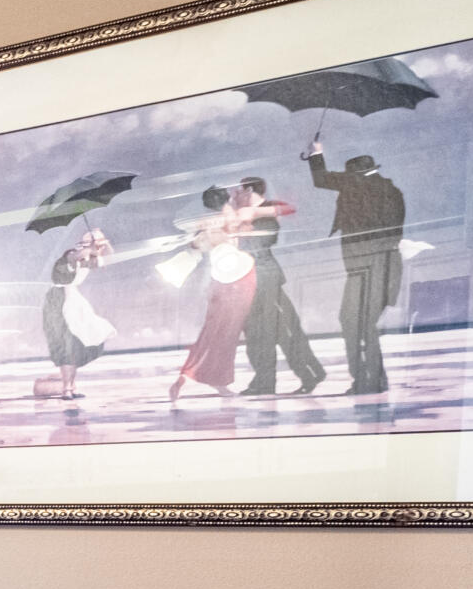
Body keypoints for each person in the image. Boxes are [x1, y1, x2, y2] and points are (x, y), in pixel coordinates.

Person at [303, 140, 408, 396]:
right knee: (360, 322)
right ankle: (371, 380)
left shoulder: (359, 185)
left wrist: (316, 153)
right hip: (380, 265)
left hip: (368, 266)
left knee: (355, 322)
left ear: (355, 176)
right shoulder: (390, 190)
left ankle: (367, 380)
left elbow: (321, 179)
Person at [232, 178, 325, 396]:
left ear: (249, 189)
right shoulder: (243, 211)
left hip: (263, 276)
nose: (236, 192)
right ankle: (278, 378)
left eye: (240, 188)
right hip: (252, 278)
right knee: (260, 331)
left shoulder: (265, 210)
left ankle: (298, 374)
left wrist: (251, 216)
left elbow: (269, 233)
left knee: (276, 330)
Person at [168, 188, 255, 405]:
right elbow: (245, 226)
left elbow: (197, 244)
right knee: (222, 335)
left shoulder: (212, 223)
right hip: (233, 283)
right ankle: (212, 379)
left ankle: (188, 378)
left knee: (213, 334)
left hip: (224, 282)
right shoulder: (225, 219)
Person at [34, 229, 117, 399]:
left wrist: (105, 244)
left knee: (78, 345)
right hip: (58, 301)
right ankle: (66, 389)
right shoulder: (72, 254)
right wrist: (93, 247)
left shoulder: (88, 259)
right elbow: (77, 255)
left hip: (73, 301)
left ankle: (71, 386)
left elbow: (109, 258)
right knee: (66, 347)